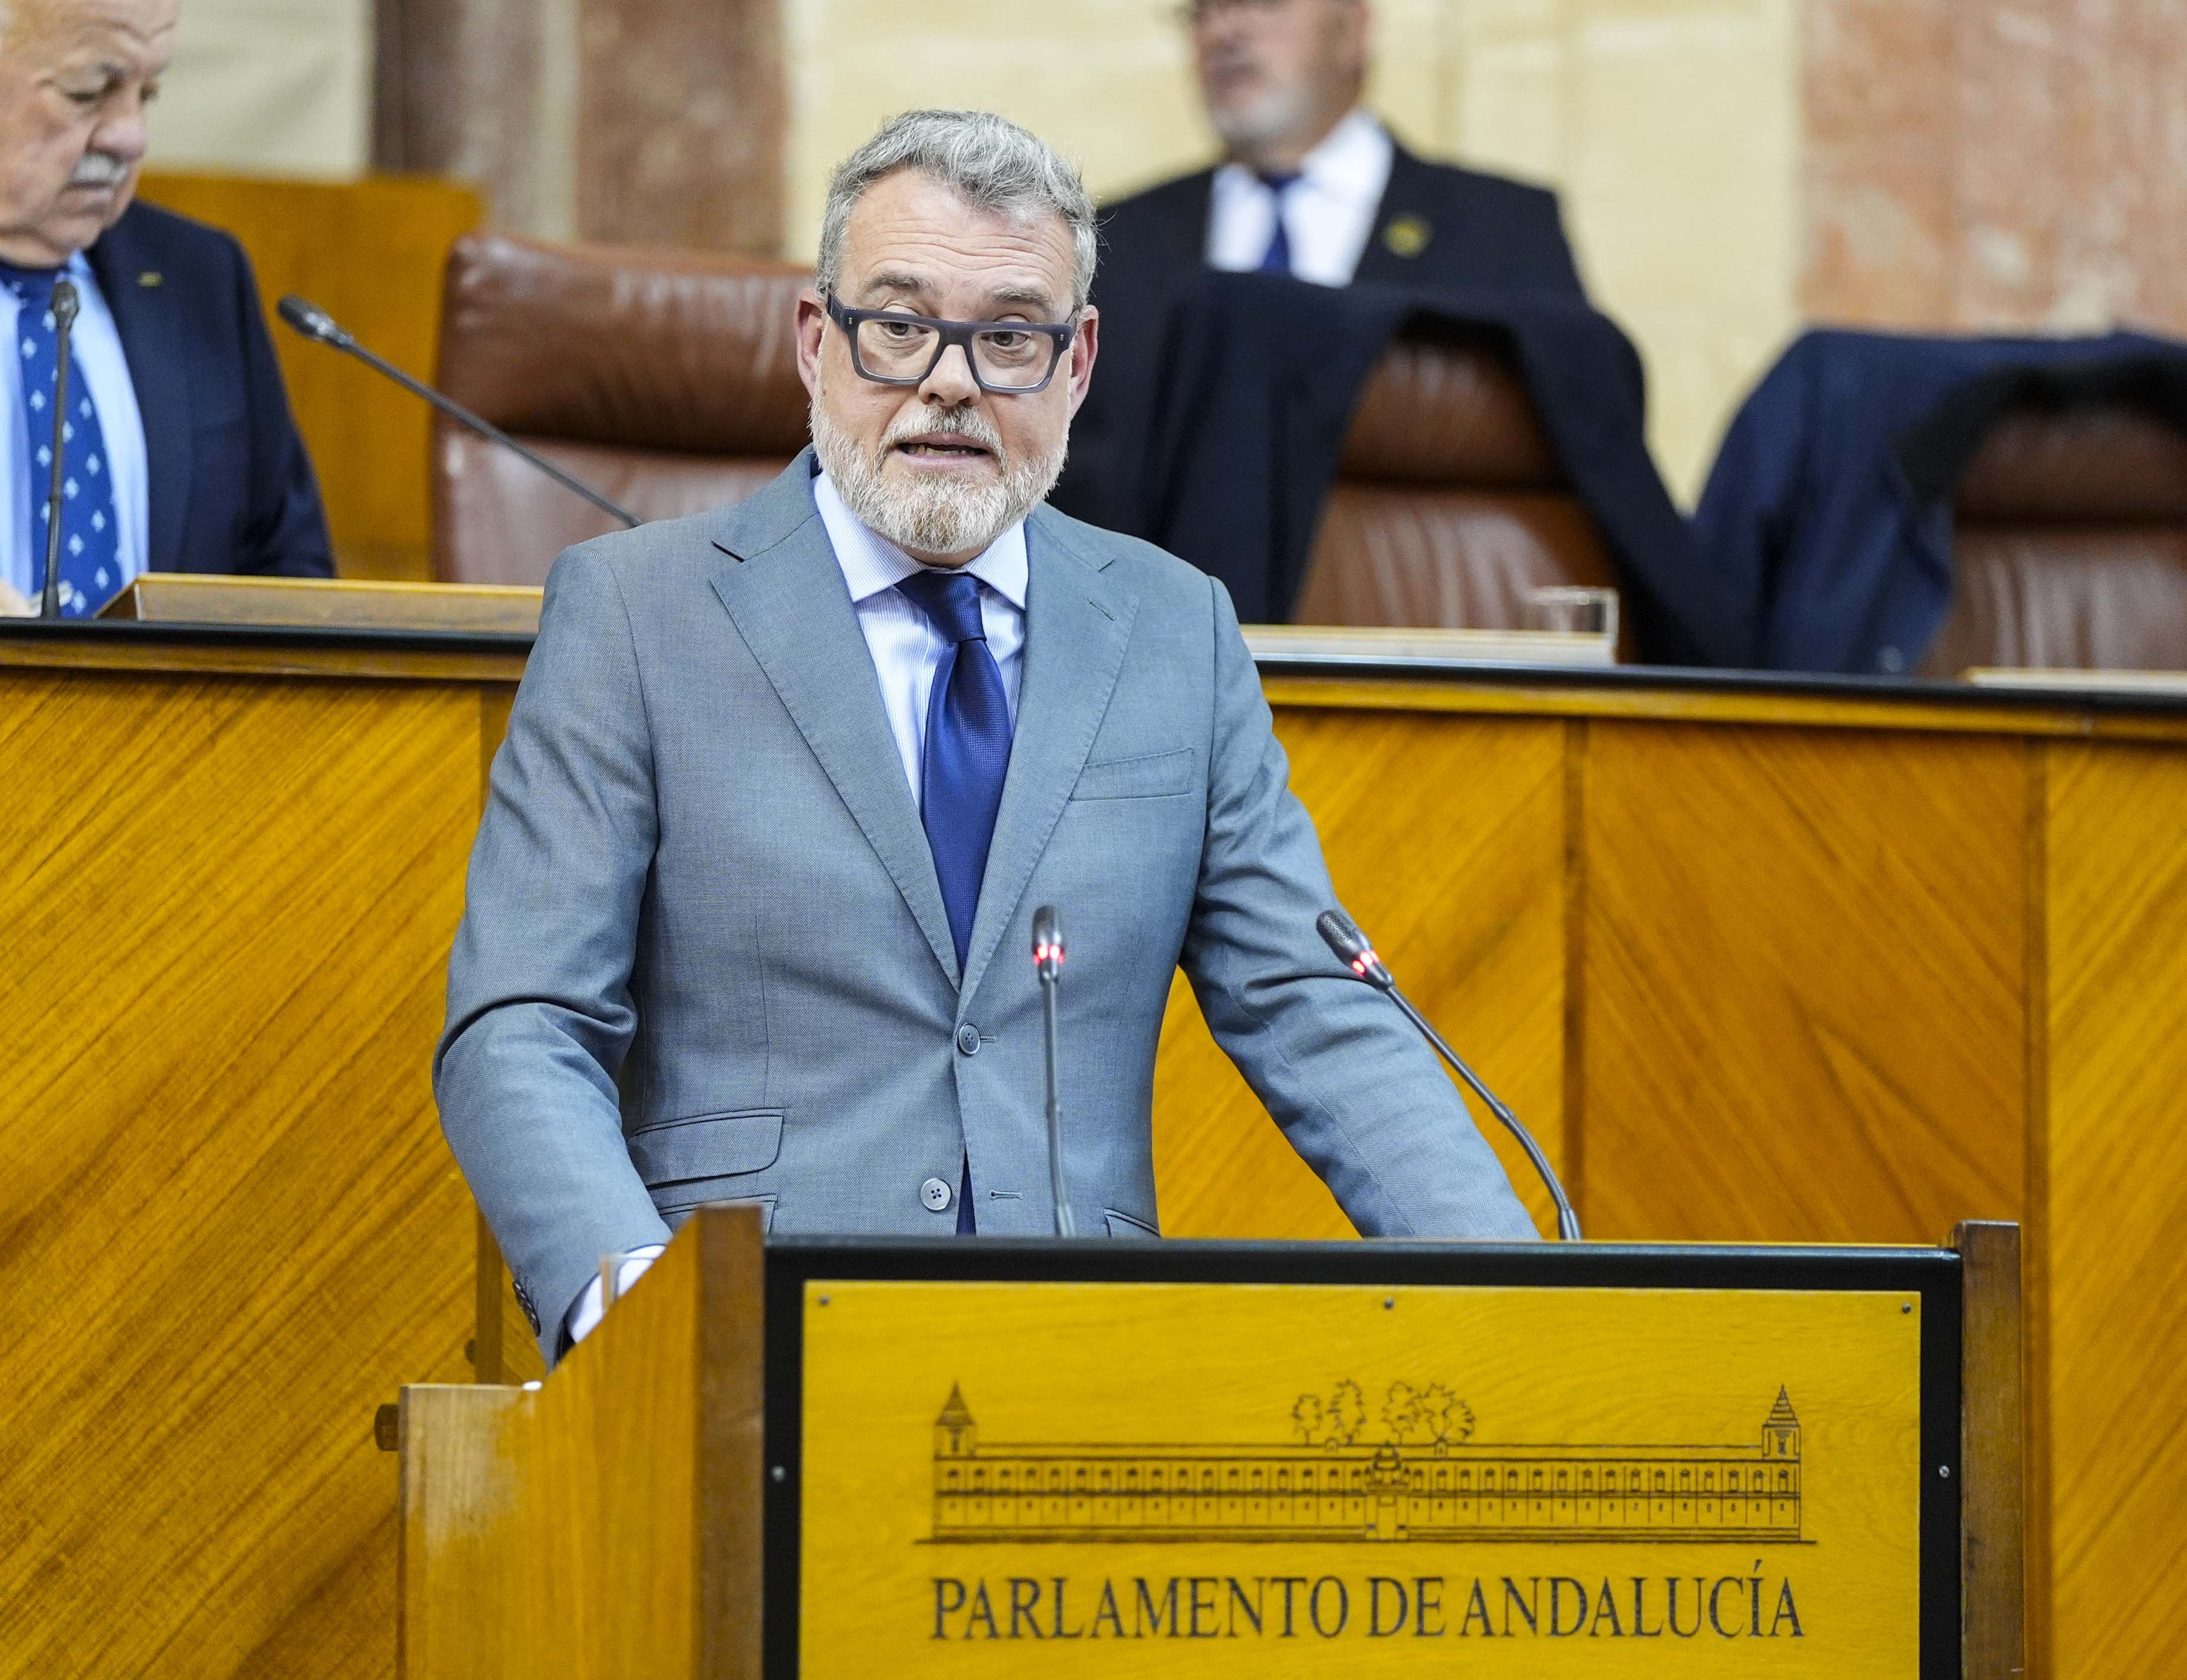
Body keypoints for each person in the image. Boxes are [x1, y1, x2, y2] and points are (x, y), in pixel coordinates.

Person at [436, 109, 1541, 1365]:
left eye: (1006, 336)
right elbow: (521, 1025)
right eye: (899, 325)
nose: (948, 381)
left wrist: (1522, 1304)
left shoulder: (1174, 630)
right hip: (740, 1356)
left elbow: (1309, 1005)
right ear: (816, 343)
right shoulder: (637, 613)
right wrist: (643, 1332)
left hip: (1082, 1367)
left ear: (1075, 365)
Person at [1056, 0, 1585, 529]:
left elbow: (1579, 457)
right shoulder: (1113, 238)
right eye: (1202, 11)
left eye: (1259, 4)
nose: (1224, 30)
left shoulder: (1500, 227)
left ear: (1352, 27)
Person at [0, 0, 330, 617]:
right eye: (88, 92)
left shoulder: (201, 277)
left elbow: (289, 571)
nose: (129, 136)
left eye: (146, 93)